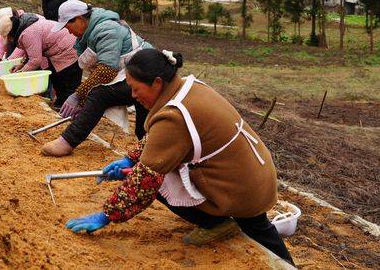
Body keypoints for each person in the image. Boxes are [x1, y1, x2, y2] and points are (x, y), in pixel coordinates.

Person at [63, 49, 294, 267]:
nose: (133, 96)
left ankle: (217, 223)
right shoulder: (187, 87)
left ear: (157, 83)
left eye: (136, 89)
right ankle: (230, 231)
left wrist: (106, 215)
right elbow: (160, 140)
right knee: (258, 227)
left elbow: (145, 179)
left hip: (240, 187)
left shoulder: (173, 116)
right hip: (254, 173)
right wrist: (130, 159)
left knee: (157, 182)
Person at [41, 0, 152, 157]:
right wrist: (84, 102)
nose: (68, 31)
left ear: (80, 19)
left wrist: (79, 95)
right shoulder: (91, 33)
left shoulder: (106, 29)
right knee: (142, 125)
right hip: (135, 75)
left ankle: (67, 141)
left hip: (147, 77)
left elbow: (107, 70)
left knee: (100, 94)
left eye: (68, 26)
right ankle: (147, 153)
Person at [0, 12, 82, 108]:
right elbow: (32, 52)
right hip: (58, 50)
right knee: (56, 79)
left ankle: (70, 110)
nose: (10, 40)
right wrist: (22, 65)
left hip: (68, 49)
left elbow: (35, 60)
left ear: (11, 32)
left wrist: (20, 73)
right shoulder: (24, 28)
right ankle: (60, 104)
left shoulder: (28, 33)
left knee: (67, 81)